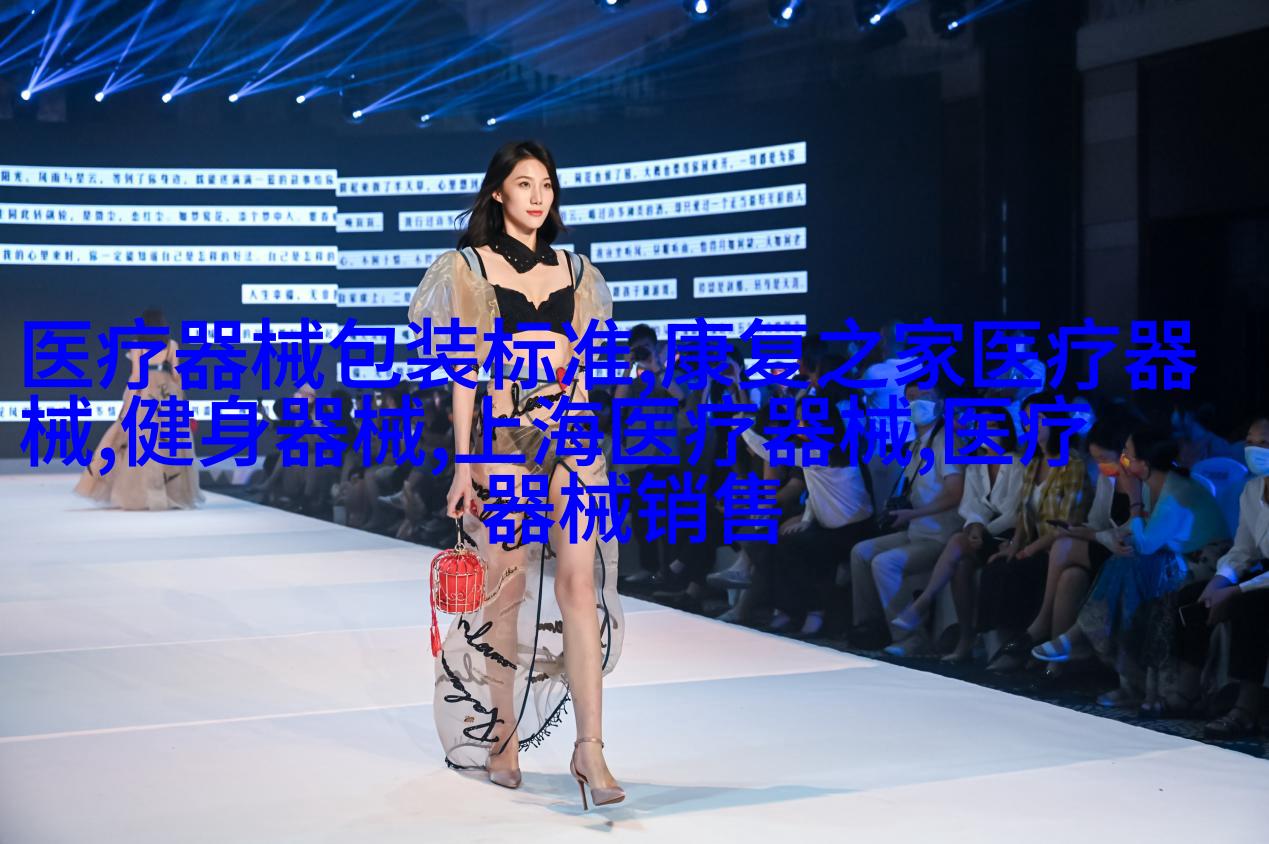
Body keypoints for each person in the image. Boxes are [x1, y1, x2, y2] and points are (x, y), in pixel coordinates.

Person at [408, 140, 624, 809]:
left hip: (572, 433)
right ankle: (502, 734)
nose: (537, 195)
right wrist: (462, 463)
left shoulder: (578, 272)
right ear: (498, 190)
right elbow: (463, 374)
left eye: (546, 184)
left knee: (580, 584)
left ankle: (591, 748)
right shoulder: (467, 267)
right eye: (524, 183)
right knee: (504, 591)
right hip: (502, 439)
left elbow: (582, 371)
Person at [1031, 424, 1230, 711]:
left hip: (1203, 564)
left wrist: (1134, 500)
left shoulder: (1176, 492)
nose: (1123, 459)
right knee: (1125, 564)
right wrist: (1097, 534)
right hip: (1171, 557)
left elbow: (1146, 542)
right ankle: (1100, 655)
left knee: (1130, 565)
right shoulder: (1151, 486)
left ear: (1144, 464)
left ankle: (1085, 639)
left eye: (1127, 454)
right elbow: (1137, 531)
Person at [73, 308, 204, 511]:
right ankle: (169, 494)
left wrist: (129, 401)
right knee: (169, 440)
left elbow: (136, 375)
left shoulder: (138, 345)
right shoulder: (171, 345)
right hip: (166, 392)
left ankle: (142, 495)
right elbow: (177, 375)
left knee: (140, 441)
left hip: (145, 392)